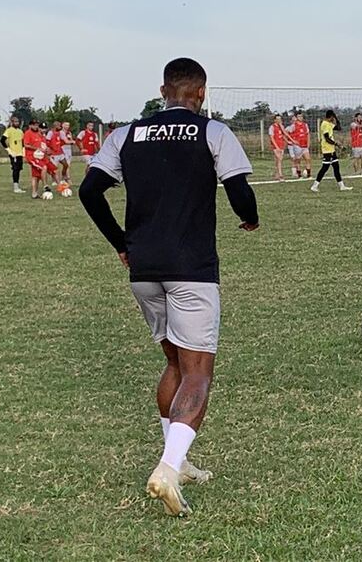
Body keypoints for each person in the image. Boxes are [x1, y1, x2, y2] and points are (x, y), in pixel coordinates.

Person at [79, 57, 259, 517]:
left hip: (144, 269)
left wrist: (121, 243)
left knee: (175, 363)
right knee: (198, 371)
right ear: (200, 93)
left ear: (164, 90)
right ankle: (167, 467)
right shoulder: (212, 132)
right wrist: (250, 217)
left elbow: (88, 190)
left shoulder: (125, 134)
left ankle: (180, 461)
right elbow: (239, 188)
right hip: (191, 269)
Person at [311, 109, 353, 192]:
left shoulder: (329, 124)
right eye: (333, 117)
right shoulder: (325, 124)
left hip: (331, 150)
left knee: (336, 167)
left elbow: (338, 128)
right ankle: (314, 186)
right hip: (327, 150)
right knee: (325, 168)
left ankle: (342, 186)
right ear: (330, 117)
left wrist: (336, 119)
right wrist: (337, 144)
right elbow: (327, 139)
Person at [23, 120, 59, 198]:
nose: (36, 127)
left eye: (37, 125)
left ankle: (34, 194)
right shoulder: (28, 133)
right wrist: (37, 148)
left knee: (53, 170)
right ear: (30, 126)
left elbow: (44, 146)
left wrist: (48, 151)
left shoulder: (42, 135)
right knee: (43, 168)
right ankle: (45, 185)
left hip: (42, 157)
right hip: (33, 156)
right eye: (34, 125)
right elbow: (26, 145)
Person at [0, 116, 25, 193]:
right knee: (15, 169)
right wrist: (8, 150)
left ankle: (17, 185)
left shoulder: (20, 131)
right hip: (14, 153)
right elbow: (2, 140)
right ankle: (15, 187)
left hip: (20, 153)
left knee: (19, 169)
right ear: (12, 122)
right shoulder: (9, 130)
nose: (17, 123)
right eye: (15, 122)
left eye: (17, 122)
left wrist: (23, 150)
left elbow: (23, 142)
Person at [268, 114, 294, 181]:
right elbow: (272, 138)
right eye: (278, 119)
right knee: (279, 159)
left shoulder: (281, 127)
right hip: (275, 146)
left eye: (280, 119)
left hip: (281, 145)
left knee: (278, 160)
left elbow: (283, 135)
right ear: (275, 120)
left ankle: (276, 174)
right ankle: (281, 175)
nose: (279, 120)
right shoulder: (272, 127)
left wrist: (288, 141)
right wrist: (276, 147)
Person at [287, 111, 312, 179]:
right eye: (299, 116)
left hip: (304, 145)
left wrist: (308, 143)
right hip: (297, 146)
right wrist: (292, 141)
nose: (301, 118)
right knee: (298, 161)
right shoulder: (293, 126)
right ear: (296, 117)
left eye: (301, 116)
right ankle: (299, 175)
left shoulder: (305, 125)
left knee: (308, 159)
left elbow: (308, 134)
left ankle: (309, 174)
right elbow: (286, 132)